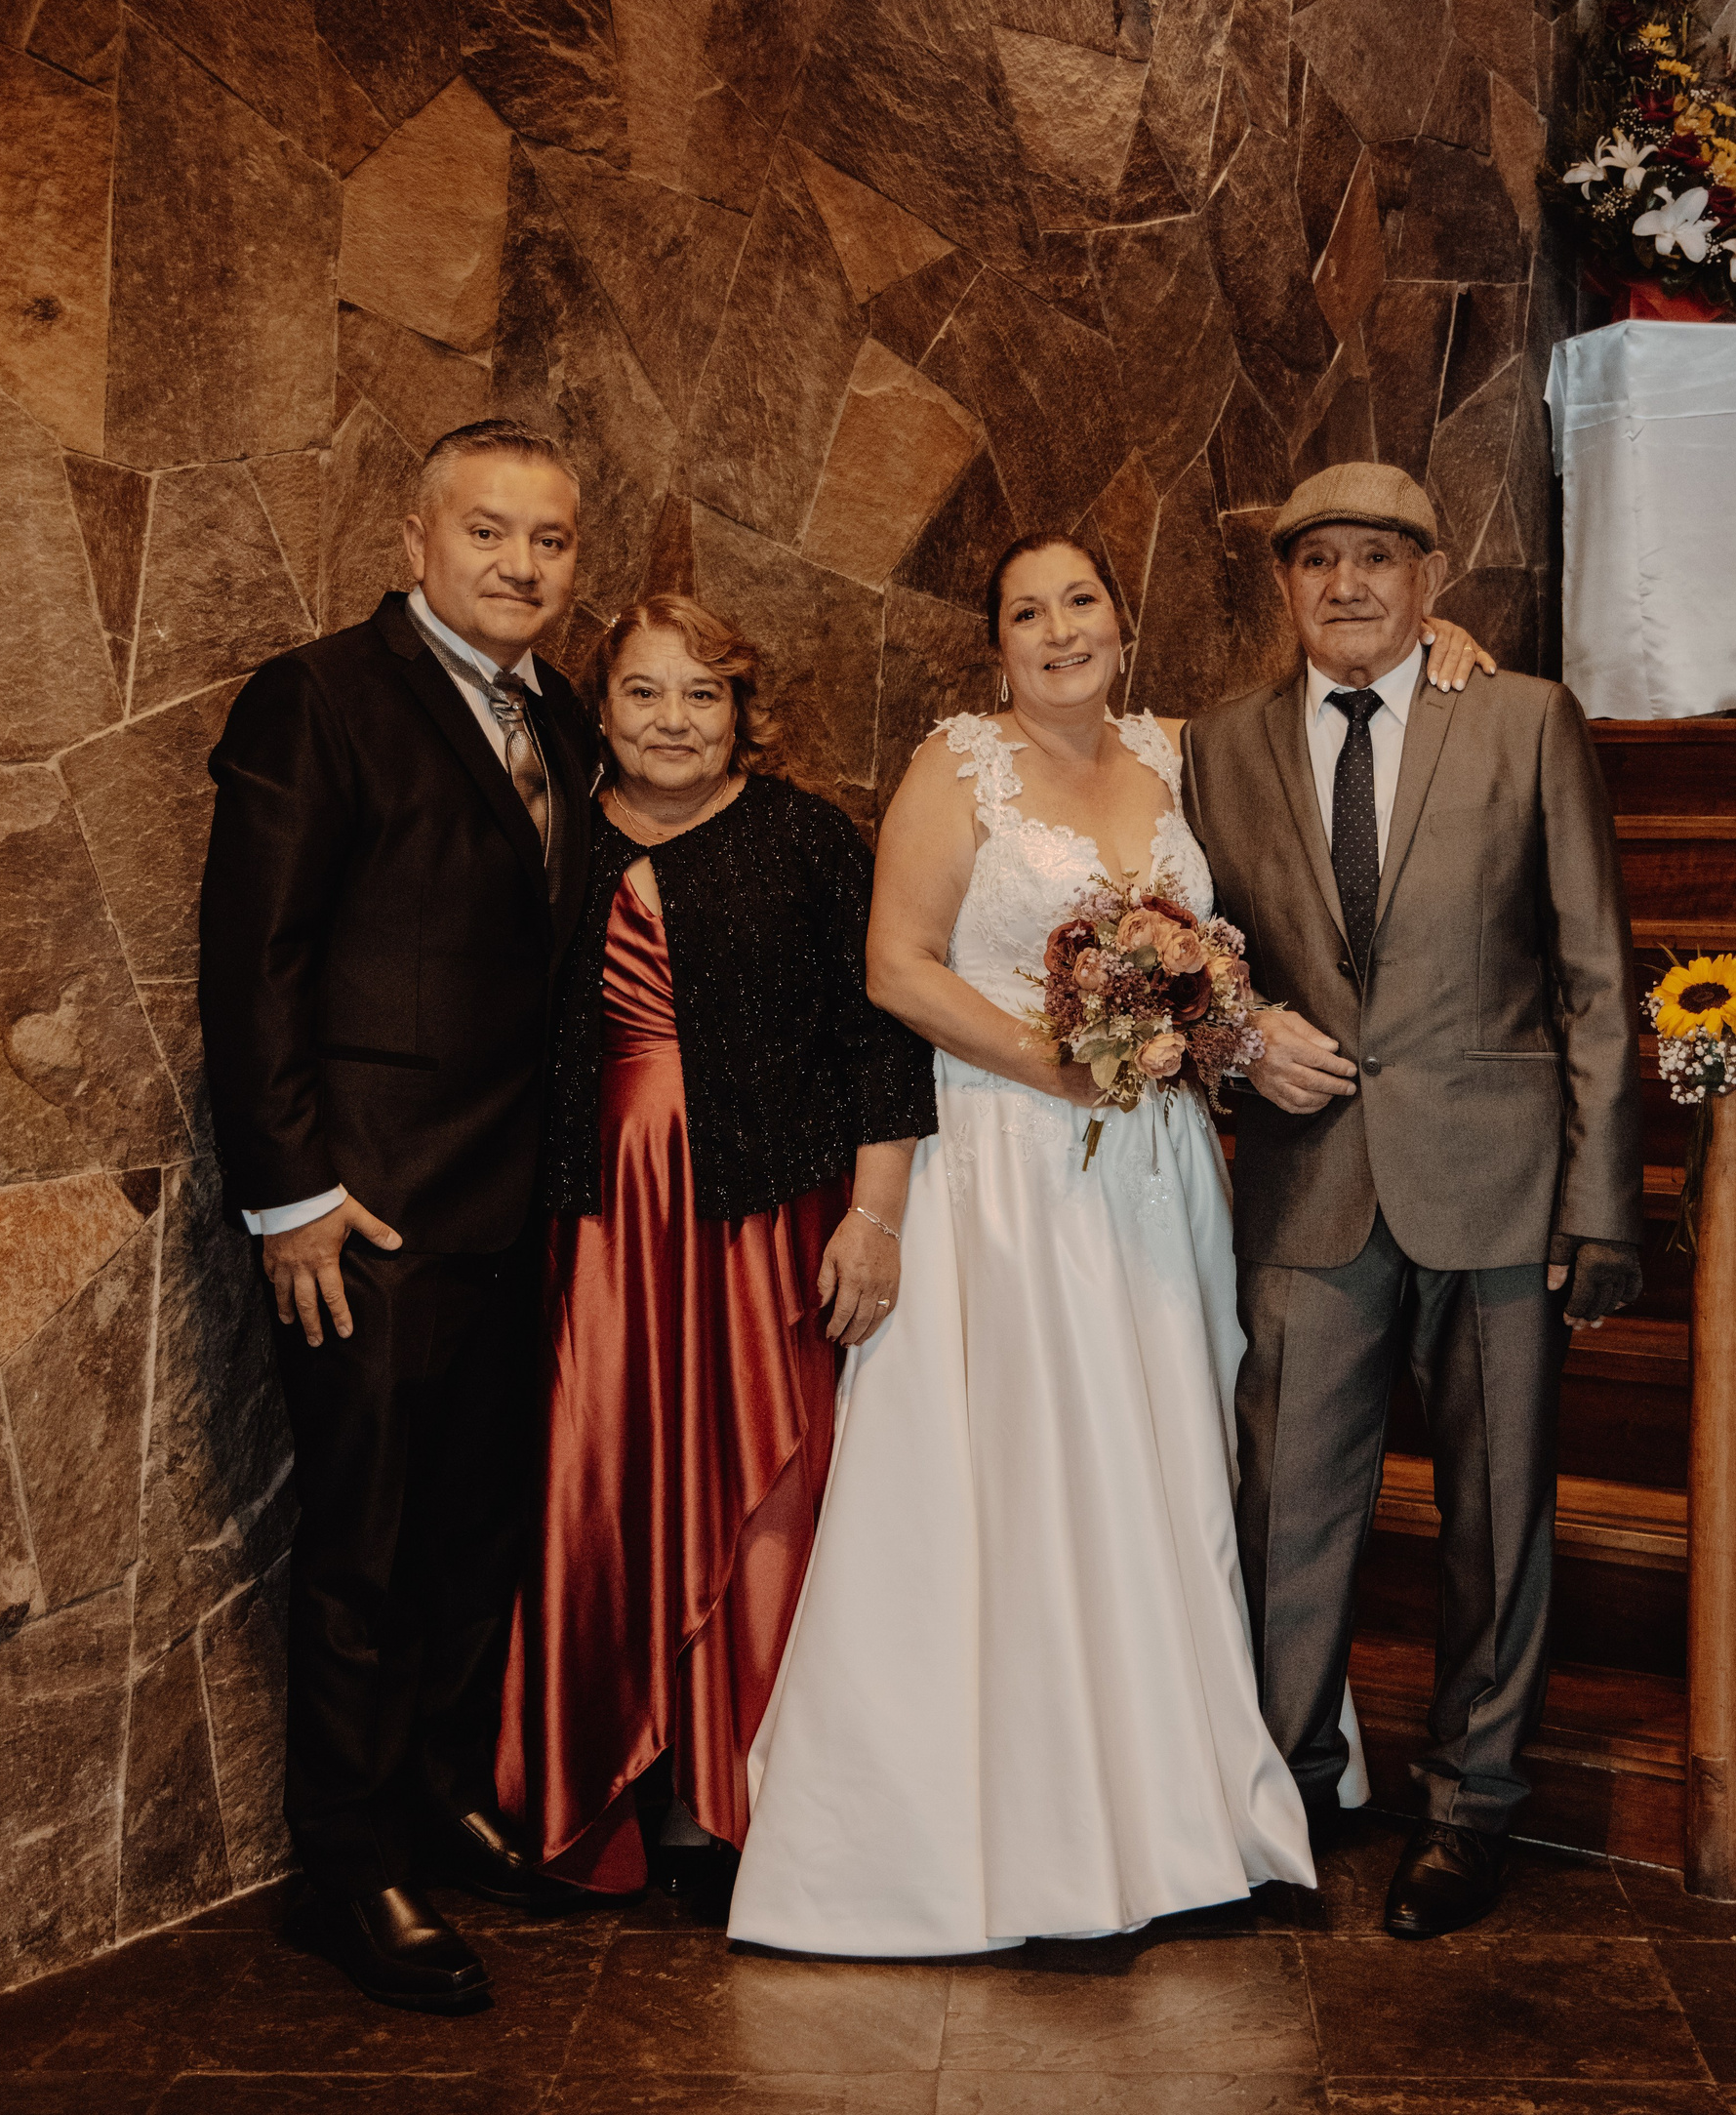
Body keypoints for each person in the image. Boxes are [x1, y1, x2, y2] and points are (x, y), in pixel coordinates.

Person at [727, 532, 1492, 1955]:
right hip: (1005, 1169)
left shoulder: (1180, 751)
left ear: (1123, 626)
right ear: (998, 645)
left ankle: (1184, 1791)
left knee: (1177, 1455)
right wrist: (1058, 1063)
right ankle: (1030, 1820)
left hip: (1155, 1163)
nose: (1059, 629)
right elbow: (896, 966)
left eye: (1081, 601)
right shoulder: (959, 766)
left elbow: (1324, 730)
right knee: (1026, 1468)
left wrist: (1436, 651)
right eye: (1028, 612)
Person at [1180, 461, 1643, 1941]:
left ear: (1431, 580)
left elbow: (1594, 976)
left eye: (1379, 559)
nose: (1348, 585)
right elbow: (1184, 956)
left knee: (1496, 1518)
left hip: (1500, 1189)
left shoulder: (1525, 720)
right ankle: (1287, 1796)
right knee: (1284, 1509)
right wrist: (1240, 1039)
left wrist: (1602, 1202)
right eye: (1318, 559)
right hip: (1307, 1185)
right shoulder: (1215, 747)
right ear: (1283, 584)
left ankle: (1470, 1808)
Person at [198, 419, 597, 2012]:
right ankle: (346, 1868)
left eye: (548, 540)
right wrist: (291, 1195)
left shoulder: (558, 712)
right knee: (362, 1548)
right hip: (360, 1217)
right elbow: (256, 959)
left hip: (510, 1203)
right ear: (414, 541)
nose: (519, 563)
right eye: (487, 531)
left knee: (472, 1531)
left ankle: (439, 1801)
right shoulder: (319, 698)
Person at [495, 595, 937, 1909]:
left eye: (704, 694)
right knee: (602, 1484)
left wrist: (876, 1216)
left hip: (764, 1219)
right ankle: (609, 1788)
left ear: (744, 710)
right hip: (598, 1225)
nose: (674, 720)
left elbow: (881, 1042)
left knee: (766, 1495)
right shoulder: (554, 834)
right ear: (602, 708)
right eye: (644, 692)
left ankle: (745, 1804)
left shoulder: (805, 836)